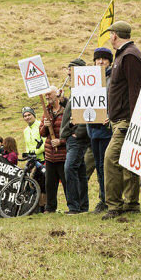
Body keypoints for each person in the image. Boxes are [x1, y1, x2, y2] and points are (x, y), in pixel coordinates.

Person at [101, 21, 141, 220]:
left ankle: (114, 206)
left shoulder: (129, 56)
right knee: (128, 163)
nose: (110, 37)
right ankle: (131, 203)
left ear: (115, 35)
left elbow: (135, 90)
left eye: (110, 34)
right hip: (121, 119)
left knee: (111, 160)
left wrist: (135, 120)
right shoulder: (125, 55)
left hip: (127, 121)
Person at [61, 58, 91, 215]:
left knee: (70, 168)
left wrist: (78, 132)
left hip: (77, 138)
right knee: (79, 171)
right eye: (67, 68)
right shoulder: (75, 89)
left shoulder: (84, 89)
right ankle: (82, 206)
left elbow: (88, 110)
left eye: (71, 69)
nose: (68, 72)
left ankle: (74, 207)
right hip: (72, 137)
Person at [89, 47, 114, 213]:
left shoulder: (113, 78)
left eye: (104, 59)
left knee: (108, 166)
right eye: (98, 59)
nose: (100, 62)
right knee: (98, 166)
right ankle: (102, 199)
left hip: (107, 129)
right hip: (93, 129)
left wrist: (111, 115)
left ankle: (110, 200)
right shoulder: (89, 79)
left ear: (109, 61)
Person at [39, 86, 67, 214]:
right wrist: (45, 126)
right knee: (50, 184)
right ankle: (50, 208)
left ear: (57, 94)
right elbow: (42, 133)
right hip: (50, 155)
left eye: (49, 94)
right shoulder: (46, 111)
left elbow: (73, 132)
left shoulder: (66, 110)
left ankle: (72, 206)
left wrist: (61, 141)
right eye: (45, 95)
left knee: (67, 183)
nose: (47, 97)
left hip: (63, 155)